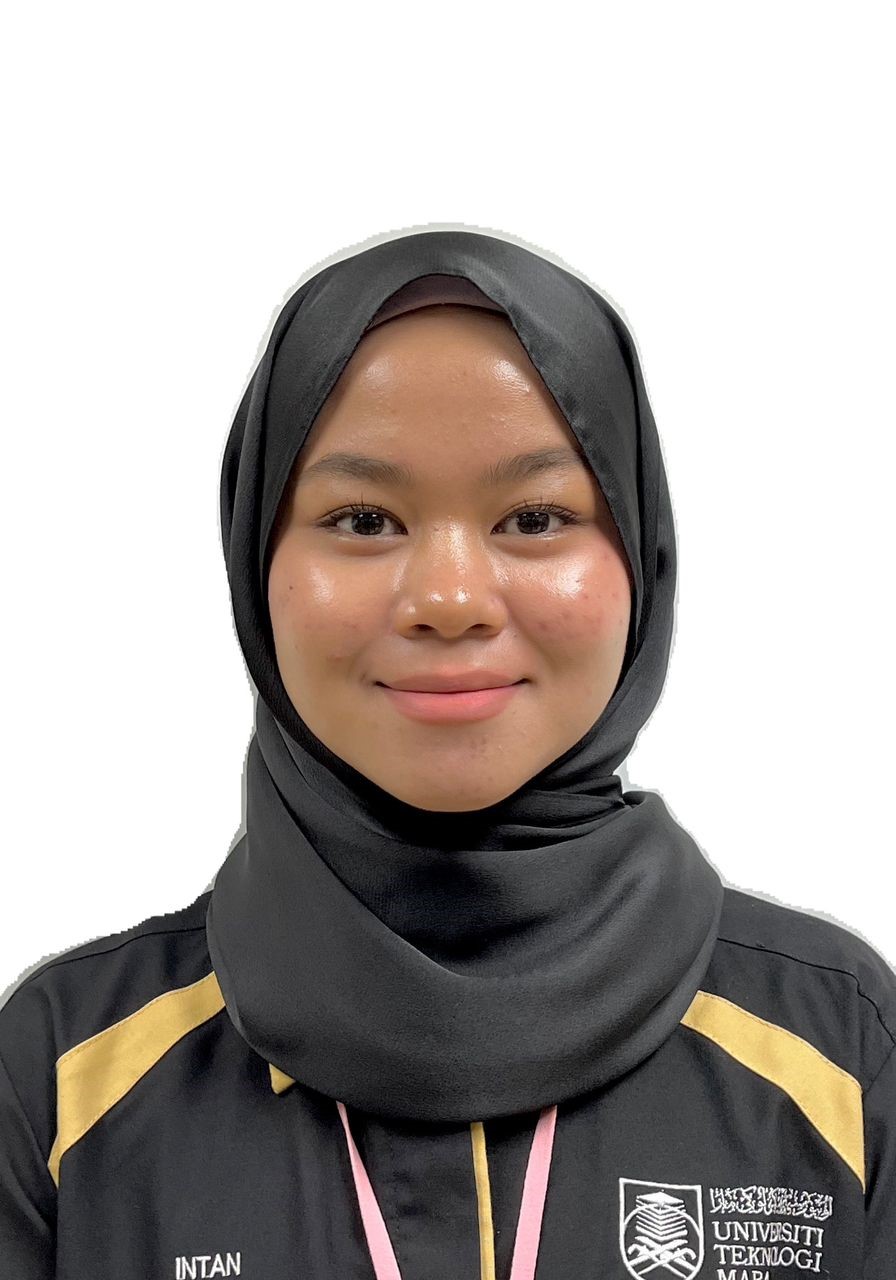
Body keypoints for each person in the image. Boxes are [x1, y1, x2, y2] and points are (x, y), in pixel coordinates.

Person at [1, 229, 893, 1278]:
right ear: (254, 562)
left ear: (640, 557)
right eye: (362, 518)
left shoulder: (837, 1048)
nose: (449, 598)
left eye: (534, 516)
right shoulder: (63, 1074)